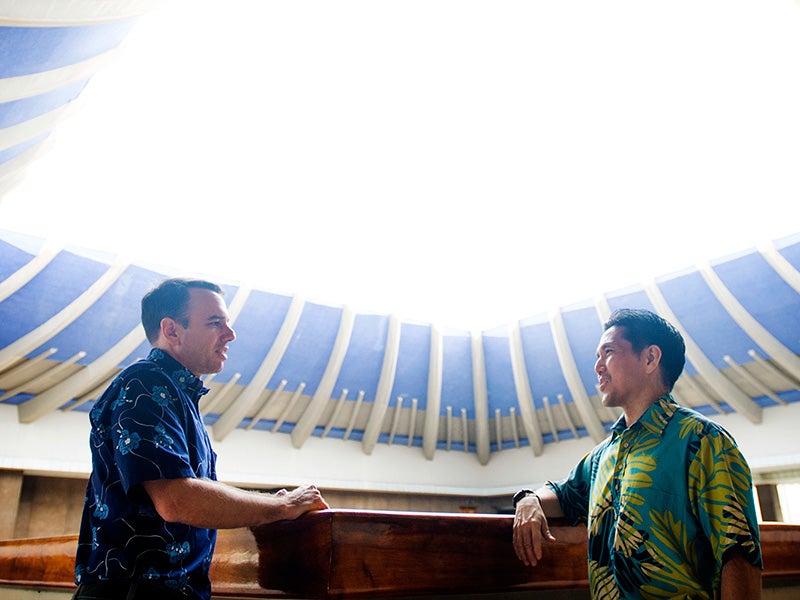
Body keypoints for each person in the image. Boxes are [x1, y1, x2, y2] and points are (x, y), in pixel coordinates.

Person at [73, 278, 328, 600]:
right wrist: (283, 505)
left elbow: (189, 494)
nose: (230, 334)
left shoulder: (174, 393)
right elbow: (178, 500)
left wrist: (272, 502)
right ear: (172, 330)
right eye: (215, 322)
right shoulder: (146, 384)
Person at [512, 308, 762, 599]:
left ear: (650, 358)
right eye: (597, 356)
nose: (597, 367)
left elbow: (738, 554)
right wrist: (528, 500)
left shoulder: (703, 440)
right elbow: (562, 495)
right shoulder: (602, 456)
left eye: (608, 352)